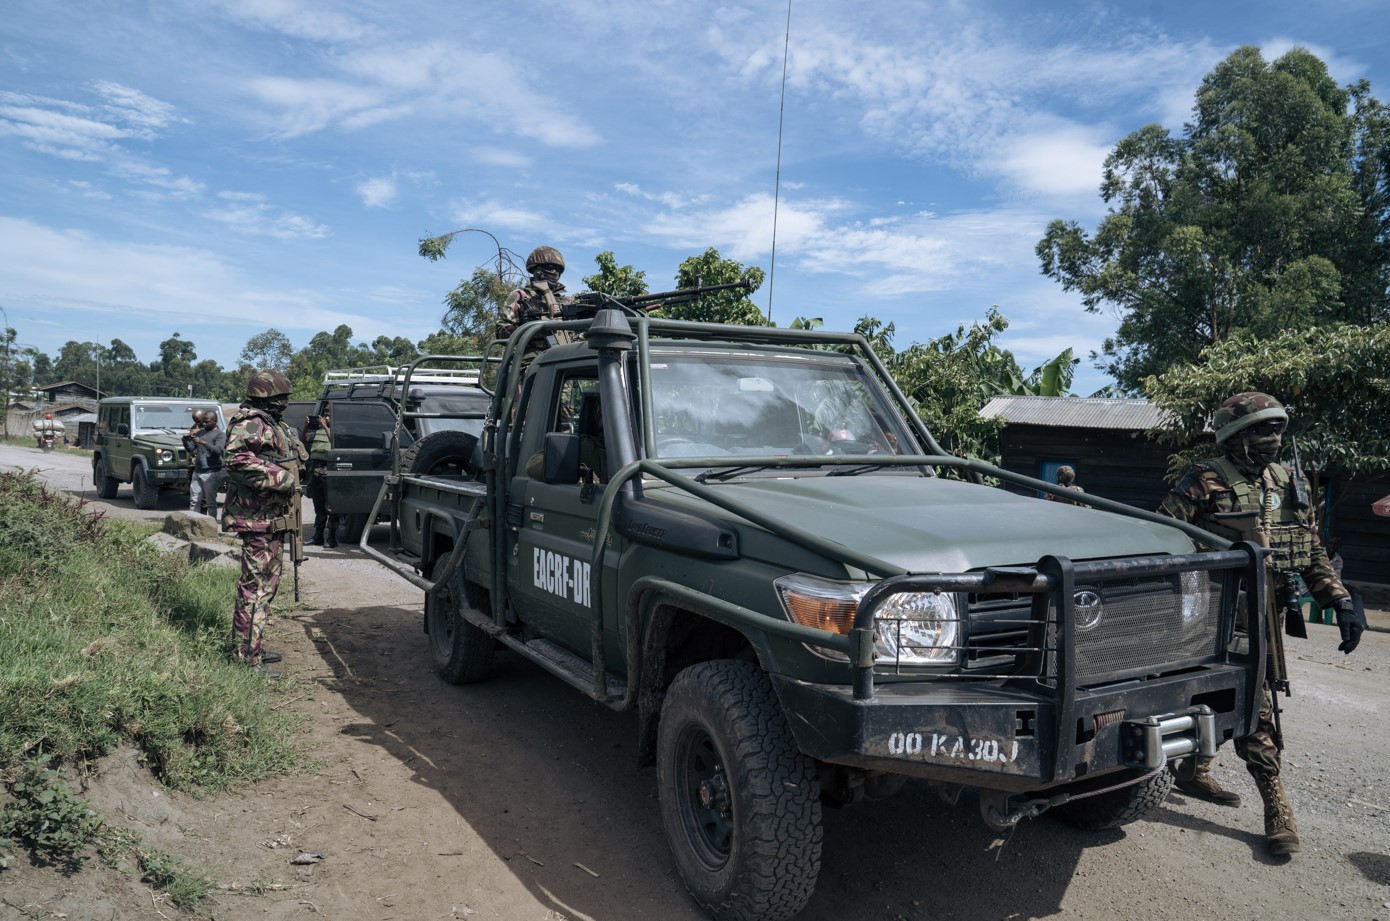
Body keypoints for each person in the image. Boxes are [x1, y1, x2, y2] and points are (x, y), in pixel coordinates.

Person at [1158, 391, 1366, 856]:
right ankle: (1245, 789)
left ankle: (1245, 791)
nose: (1272, 439)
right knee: (1214, 695)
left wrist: (1340, 600)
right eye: (1261, 430)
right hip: (1211, 611)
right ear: (1235, 436)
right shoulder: (1205, 480)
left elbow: (1308, 549)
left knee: (1257, 698)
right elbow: (1163, 537)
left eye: (1277, 430)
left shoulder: (1286, 482)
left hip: (1264, 612)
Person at [223, 370, 307, 677]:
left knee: (265, 588)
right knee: (255, 589)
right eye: (280, 398)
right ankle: (246, 658)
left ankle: (252, 647)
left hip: (270, 518)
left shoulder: (272, 423)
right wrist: (282, 478)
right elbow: (236, 461)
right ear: (266, 397)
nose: (285, 403)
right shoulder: (251, 422)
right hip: (257, 519)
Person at [302, 403, 338, 548]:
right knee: (318, 505)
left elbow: (335, 441)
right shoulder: (318, 431)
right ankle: (318, 536)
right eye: (325, 413)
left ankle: (332, 537)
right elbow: (303, 440)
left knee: (332, 506)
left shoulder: (336, 430)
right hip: (316, 471)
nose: (326, 416)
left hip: (330, 471)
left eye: (329, 413)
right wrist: (305, 426)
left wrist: (325, 426)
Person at [185, 409, 226, 522]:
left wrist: (203, 442)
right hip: (198, 471)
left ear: (215, 421)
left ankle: (211, 526)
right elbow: (191, 449)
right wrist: (185, 441)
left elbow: (217, 451)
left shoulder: (220, 435)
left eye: (207, 422)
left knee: (210, 503)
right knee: (194, 500)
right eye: (203, 421)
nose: (204, 424)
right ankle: (192, 524)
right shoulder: (201, 432)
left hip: (212, 473)